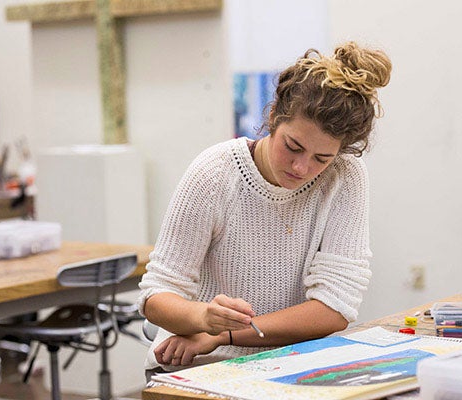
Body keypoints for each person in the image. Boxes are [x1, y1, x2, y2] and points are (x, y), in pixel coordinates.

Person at [137, 41, 392, 379]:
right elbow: (157, 296)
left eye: (321, 158)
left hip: (294, 363)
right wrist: (202, 318)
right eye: (293, 146)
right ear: (273, 117)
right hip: (205, 367)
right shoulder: (215, 173)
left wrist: (222, 334)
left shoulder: (345, 176)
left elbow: (334, 310)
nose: (302, 168)